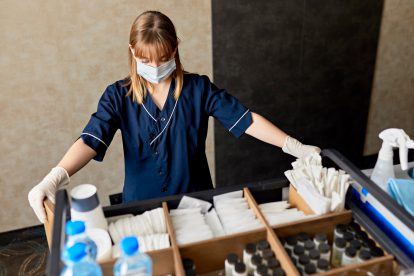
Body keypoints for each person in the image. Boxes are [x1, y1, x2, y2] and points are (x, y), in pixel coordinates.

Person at [28, 11, 320, 223]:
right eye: (145, 61)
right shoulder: (118, 95)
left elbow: (246, 119)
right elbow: (91, 140)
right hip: (141, 206)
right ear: (132, 52)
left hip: (196, 200)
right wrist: (53, 178)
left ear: (175, 50)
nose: (155, 67)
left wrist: (293, 145)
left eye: (164, 58)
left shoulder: (198, 89)